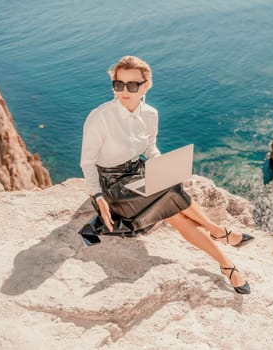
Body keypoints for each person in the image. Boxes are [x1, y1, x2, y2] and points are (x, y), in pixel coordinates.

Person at [80, 55, 253, 294]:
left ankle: (226, 264)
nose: (124, 91)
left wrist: (164, 165)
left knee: (175, 213)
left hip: (137, 174)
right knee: (170, 189)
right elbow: (87, 163)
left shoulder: (150, 114)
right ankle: (218, 232)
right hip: (112, 189)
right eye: (118, 85)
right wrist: (98, 196)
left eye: (132, 85)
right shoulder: (100, 117)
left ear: (146, 85)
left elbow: (150, 149)